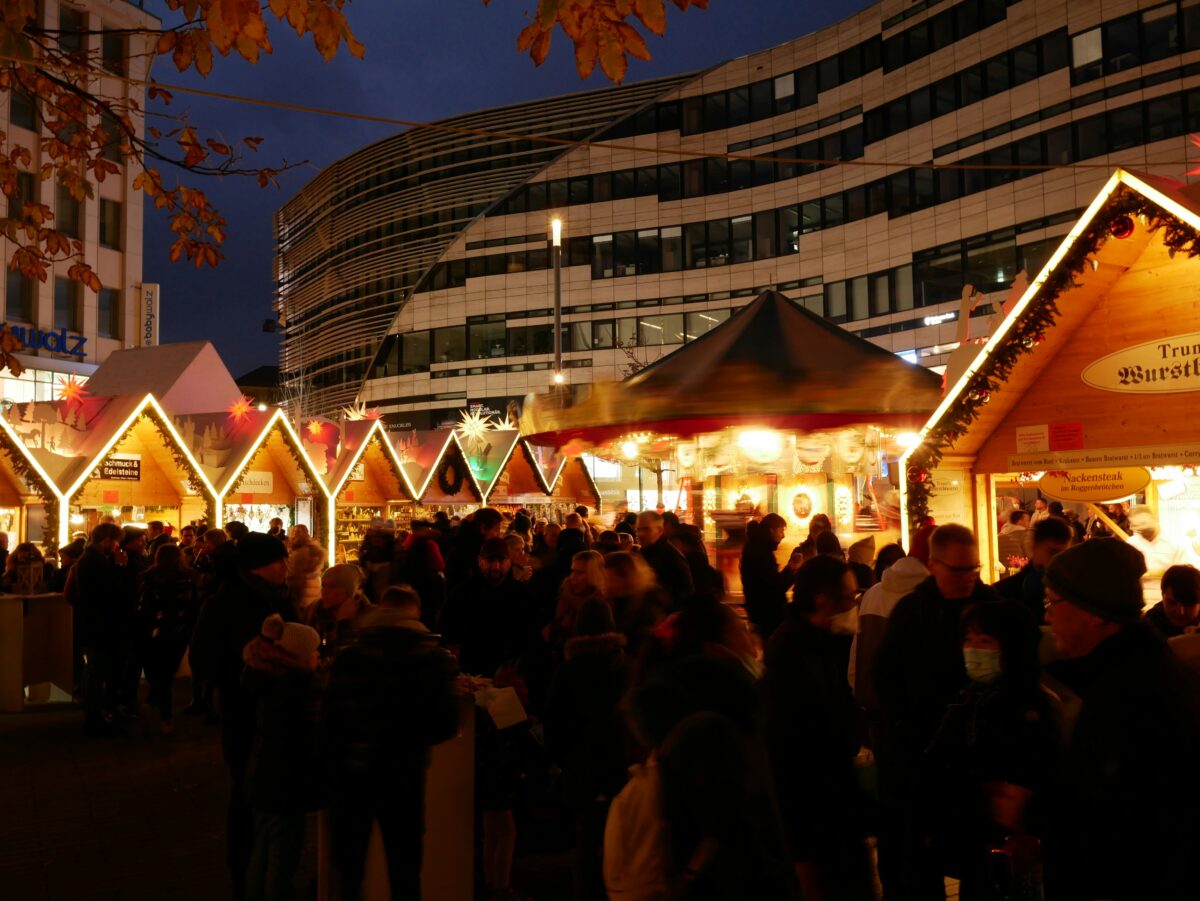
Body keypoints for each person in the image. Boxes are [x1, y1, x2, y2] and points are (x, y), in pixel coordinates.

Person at [1041, 539, 1200, 900]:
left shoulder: (1132, 691)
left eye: (1054, 602)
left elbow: (1123, 815)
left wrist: (1035, 813)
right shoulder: (1119, 675)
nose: (1049, 616)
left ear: (1095, 611)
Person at [872, 523, 1000, 901]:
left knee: (983, 868)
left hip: (980, 761)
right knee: (922, 868)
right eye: (958, 570)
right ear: (935, 564)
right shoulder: (912, 612)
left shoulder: (992, 606)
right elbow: (886, 678)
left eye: (973, 568)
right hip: (923, 761)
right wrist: (906, 732)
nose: (967, 578)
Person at [324, 585, 461, 901]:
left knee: (350, 868)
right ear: (415, 613)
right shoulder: (431, 658)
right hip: (404, 776)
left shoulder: (352, 655)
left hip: (352, 774)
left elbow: (331, 719)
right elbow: (445, 724)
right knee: (404, 868)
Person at [922, 601, 1058, 900]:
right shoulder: (969, 697)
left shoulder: (1032, 706)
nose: (973, 650)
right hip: (975, 847)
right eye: (968, 640)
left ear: (1010, 647)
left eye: (985, 641)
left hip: (1012, 851)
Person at [189, 533, 294, 901]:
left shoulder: (282, 599)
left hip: (283, 717)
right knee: (247, 795)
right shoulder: (226, 603)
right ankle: (244, 873)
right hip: (244, 713)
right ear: (255, 566)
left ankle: (268, 874)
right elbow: (202, 659)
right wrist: (243, 676)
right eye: (278, 560)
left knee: (277, 800)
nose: (285, 566)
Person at [764, 555, 873, 901]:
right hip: (813, 823)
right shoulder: (790, 654)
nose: (853, 605)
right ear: (822, 600)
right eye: (847, 598)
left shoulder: (828, 644)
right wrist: (801, 852)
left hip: (838, 812)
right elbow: (785, 756)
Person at [545, 599, 633, 901]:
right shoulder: (626, 667)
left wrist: (561, 760)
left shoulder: (569, 670)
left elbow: (554, 722)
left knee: (585, 838)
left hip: (581, 766)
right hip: (620, 767)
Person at [241, 615, 323, 901]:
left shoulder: (266, 676)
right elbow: (310, 739)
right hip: (287, 786)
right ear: (298, 655)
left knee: (261, 851)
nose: (318, 656)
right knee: (282, 860)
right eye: (314, 650)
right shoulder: (299, 686)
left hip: (262, 778)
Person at [439, 537, 531, 677]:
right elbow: (447, 627)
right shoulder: (462, 593)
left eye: (500, 561)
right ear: (480, 561)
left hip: (511, 669)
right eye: (490, 561)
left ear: (509, 562)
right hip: (472, 671)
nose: (495, 566)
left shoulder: (521, 593)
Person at [138, 543, 200, 733]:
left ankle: (157, 707)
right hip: (178, 630)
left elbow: (145, 606)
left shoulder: (148, 577)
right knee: (167, 672)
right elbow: (194, 605)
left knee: (158, 672)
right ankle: (164, 714)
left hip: (154, 630)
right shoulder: (189, 577)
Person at [75, 522, 129, 736]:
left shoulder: (91, 559)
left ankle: (94, 715)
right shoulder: (94, 561)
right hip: (99, 625)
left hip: (95, 624)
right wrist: (119, 566)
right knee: (97, 671)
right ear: (106, 540)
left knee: (95, 671)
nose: (117, 546)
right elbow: (110, 591)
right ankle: (93, 719)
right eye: (115, 541)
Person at [993, 516, 1073, 625]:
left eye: (1063, 555)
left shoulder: (1072, 594)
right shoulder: (1002, 593)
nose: (1057, 560)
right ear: (1034, 547)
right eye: (1052, 552)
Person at [740, 514, 801, 640]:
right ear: (771, 530)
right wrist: (792, 569)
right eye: (781, 530)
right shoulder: (760, 552)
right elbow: (774, 587)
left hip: (761, 614)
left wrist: (790, 568)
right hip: (768, 616)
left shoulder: (756, 548)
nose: (783, 536)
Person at [1126, 504, 1200, 605]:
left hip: (1168, 601)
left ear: (1154, 519)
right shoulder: (1131, 543)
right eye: (1136, 525)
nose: (1141, 527)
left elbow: (1191, 572)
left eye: (1144, 523)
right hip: (1138, 601)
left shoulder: (1176, 542)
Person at [604, 550, 669, 655]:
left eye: (611, 579)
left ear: (627, 577)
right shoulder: (614, 601)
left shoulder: (649, 606)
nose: (606, 584)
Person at [304, 562, 371, 657]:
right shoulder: (314, 611)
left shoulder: (366, 618)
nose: (324, 591)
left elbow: (349, 658)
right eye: (323, 585)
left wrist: (344, 622)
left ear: (350, 593)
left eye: (332, 586)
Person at [635, 511, 693, 603]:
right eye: (638, 529)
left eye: (646, 529)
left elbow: (685, 595)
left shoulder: (673, 557)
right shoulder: (639, 554)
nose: (640, 534)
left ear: (660, 530)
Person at [548, 549, 606, 641]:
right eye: (572, 571)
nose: (572, 577)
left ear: (594, 575)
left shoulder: (602, 604)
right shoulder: (566, 592)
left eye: (580, 573)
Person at [1143, 564, 1200, 638]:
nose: (1180, 612)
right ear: (1162, 597)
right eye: (1172, 603)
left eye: (1188, 604)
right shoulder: (1147, 628)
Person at [286, 525, 325, 613]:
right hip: (314, 591)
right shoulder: (312, 549)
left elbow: (292, 574)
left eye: (298, 532)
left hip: (303, 592)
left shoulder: (300, 553)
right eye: (294, 532)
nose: (294, 534)